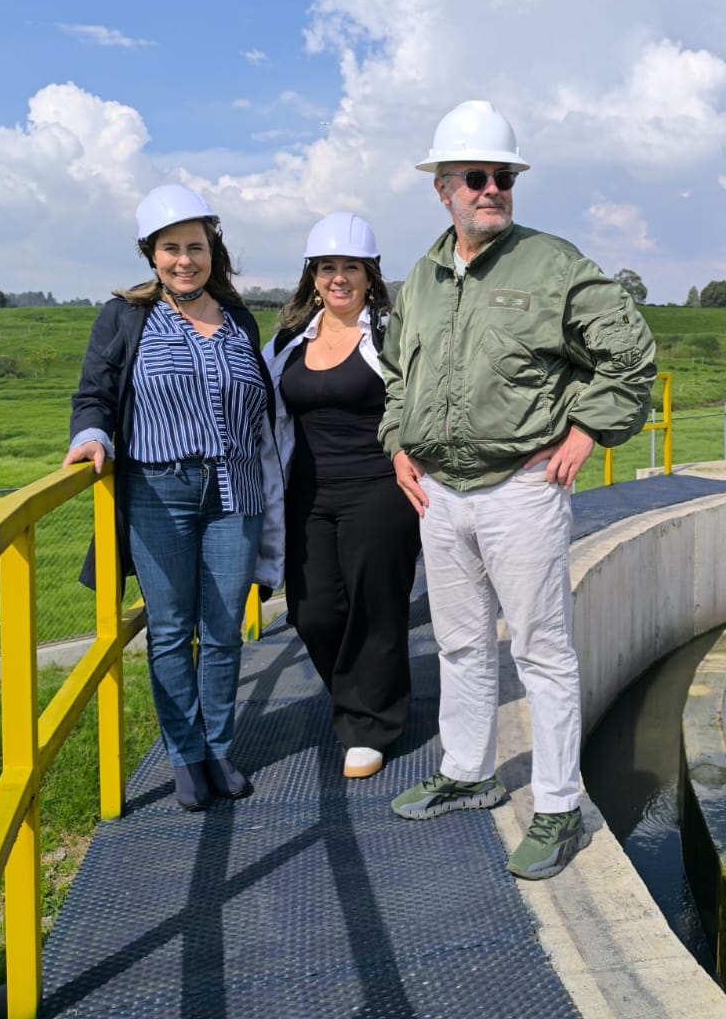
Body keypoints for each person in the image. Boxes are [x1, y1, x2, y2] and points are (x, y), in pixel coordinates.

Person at [380, 100, 656, 880]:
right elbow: (398, 372)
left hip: (521, 488)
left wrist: (589, 429)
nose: (492, 188)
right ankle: (467, 773)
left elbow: (629, 352)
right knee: (462, 643)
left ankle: (559, 807)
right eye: (475, 176)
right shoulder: (423, 278)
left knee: (541, 651)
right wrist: (396, 442)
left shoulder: (552, 265)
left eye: (503, 176)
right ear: (442, 188)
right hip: (440, 495)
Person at [66, 183, 285, 811]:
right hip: (158, 492)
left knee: (222, 630)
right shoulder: (125, 316)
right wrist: (91, 436)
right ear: (151, 254)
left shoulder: (238, 317)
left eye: (196, 247)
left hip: (236, 492)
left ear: (212, 251)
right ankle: (185, 754)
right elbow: (95, 391)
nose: (185, 260)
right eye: (171, 249)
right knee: (169, 629)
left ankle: (218, 748)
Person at [265, 213, 421, 779]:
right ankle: (362, 696)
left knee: (374, 606)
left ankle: (369, 725)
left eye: (350, 267)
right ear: (311, 276)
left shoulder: (391, 336)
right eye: (327, 267)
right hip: (306, 494)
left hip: (379, 489)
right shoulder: (286, 344)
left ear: (370, 275)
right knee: (314, 612)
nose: (338, 278)